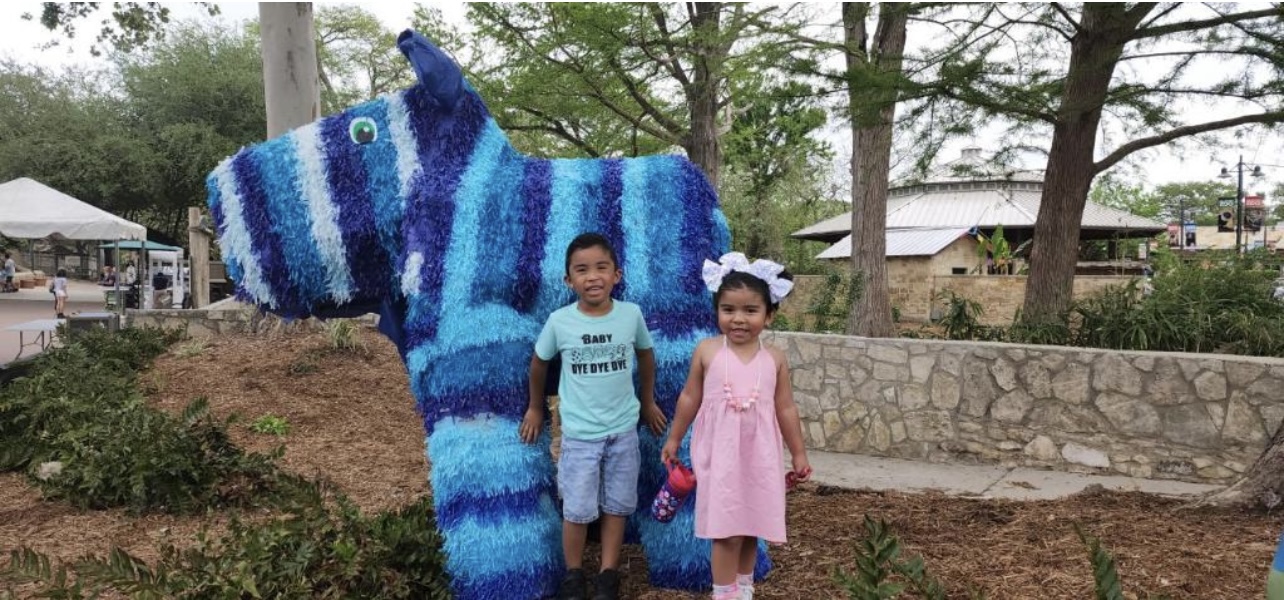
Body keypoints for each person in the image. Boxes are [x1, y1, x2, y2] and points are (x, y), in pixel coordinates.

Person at [521, 232, 667, 600]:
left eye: (601, 267)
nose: (593, 277)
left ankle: (607, 575)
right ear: (568, 280)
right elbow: (539, 364)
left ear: (617, 274)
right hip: (580, 436)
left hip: (623, 431)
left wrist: (647, 402)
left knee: (617, 506)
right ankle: (573, 576)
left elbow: (647, 357)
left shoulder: (630, 315)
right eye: (582, 270)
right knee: (577, 508)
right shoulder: (560, 321)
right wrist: (536, 407)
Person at [660, 252, 812, 600]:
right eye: (728, 310)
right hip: (721, 455)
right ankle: (723, 593)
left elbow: (785, 408)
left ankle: (743, 588)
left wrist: (799, 453)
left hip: (759, 457)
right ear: (717, 311)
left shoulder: (774, 359)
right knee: (726, 530)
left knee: (750, 528)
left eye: (750, 310)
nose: (738, 319)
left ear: (769, 315)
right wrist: (674, 438)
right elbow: (689, 398)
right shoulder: (708, 351)